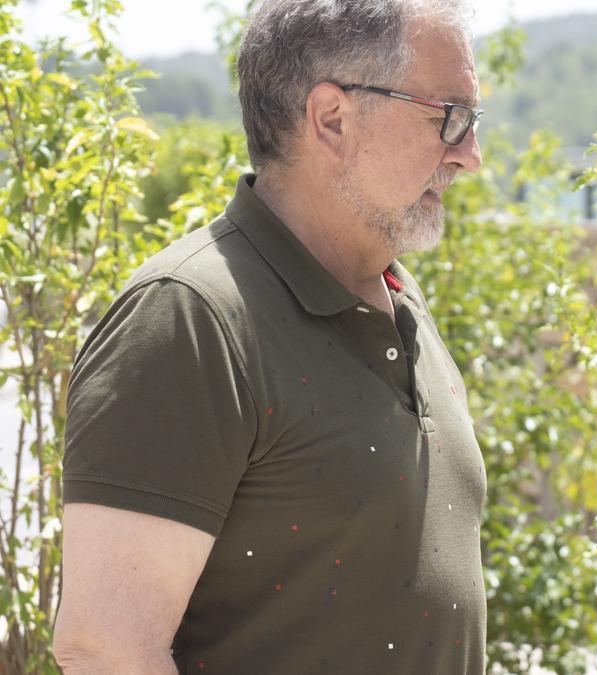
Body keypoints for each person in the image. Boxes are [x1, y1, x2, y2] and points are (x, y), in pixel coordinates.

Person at [52, 1, 486, 672]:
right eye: (448, 117)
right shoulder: (191, 316)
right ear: (332, 119)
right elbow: (107, 650)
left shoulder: (397, 297)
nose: (471, 156)